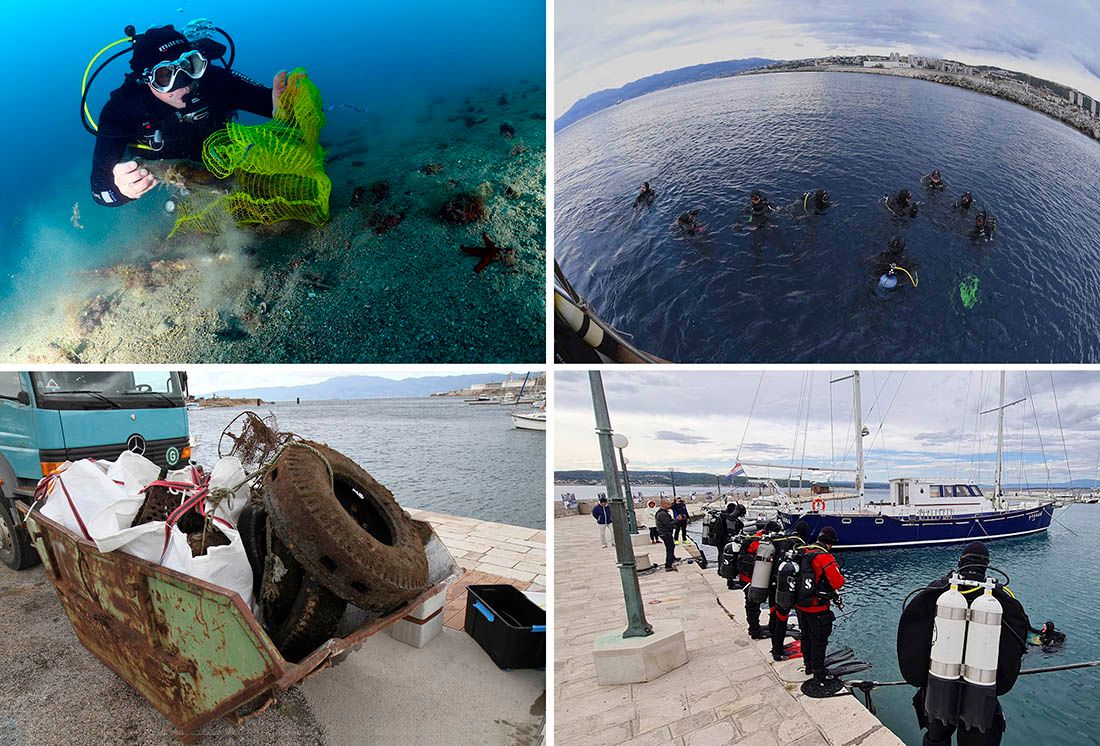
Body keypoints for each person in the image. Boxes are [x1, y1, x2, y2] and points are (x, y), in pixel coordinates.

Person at [90, 25, 288, 207]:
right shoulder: (121, 110)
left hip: (225, 164)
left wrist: (285, 108)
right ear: (146, 79)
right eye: (165, 75)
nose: (184, 83)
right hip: (174, 179)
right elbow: (100, 191)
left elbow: (271, 102)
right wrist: (121, 190)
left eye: (190, 65)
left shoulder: (215, 80)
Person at [897, 541, 1031, 746]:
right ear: (986, 565)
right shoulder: (1001, 599)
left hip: (937, 690)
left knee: (936, 740)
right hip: (981, 696)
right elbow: (1015, 647)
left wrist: (922, 678)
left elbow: (913, 636)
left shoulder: (937, 591)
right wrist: (998, 685)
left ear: (961, 562)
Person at [795, 526, 845, 691]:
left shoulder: (804, 551)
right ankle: (819, 673)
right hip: (817, 608)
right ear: (830, 543)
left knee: (806, 636)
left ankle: (808, 665)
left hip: (800, 605)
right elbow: (838, 583)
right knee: (819, 641)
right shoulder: (825, 557)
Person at [770, 520, 810, 661]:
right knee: (787, 620)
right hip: (788, 590)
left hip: (773, 585)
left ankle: (776, 647)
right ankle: (778, 652)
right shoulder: (800, 546)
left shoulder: (782, 540)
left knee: (776, 618)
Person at [741, 519, 782, 639]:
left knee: (751, 605)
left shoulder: (754, 538)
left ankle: (754, 627)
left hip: (746, 577)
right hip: (754, 579)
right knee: (753, 606)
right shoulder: (764, 543)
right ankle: (755, 631)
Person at [655, 499, 677, 571]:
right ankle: (668, 565)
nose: (670, 505)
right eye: (668, 504)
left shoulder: (662, 512)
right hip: (665, 533)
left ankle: (672, 558)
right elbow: (668, 524)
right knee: (670, 548)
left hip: (664, 533)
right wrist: (677, 520)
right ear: (664, 504)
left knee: (671, 546)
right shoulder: (662, 514)